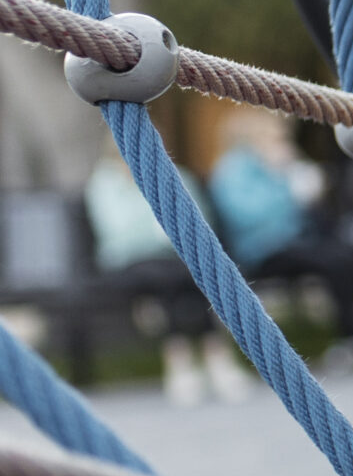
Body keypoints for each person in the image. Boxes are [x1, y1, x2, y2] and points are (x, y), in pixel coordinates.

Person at [208, 108, 353, 364]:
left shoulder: (275, 165)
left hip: (298, 242)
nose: (281, 143)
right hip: (263, 249)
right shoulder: (232, 171)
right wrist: (287, 188)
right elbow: (247, 216)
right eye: (273, 137)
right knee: (335, 262)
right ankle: (351, 336)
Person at [84, 155, 252, 405]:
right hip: (129, 259)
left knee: (186, 275)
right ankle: (209, 353)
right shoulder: (105, 184)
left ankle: (182, 360)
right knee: (167, 277)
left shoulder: (177, 174)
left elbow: (199, 215)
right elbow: (119, 230)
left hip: (171, 255)